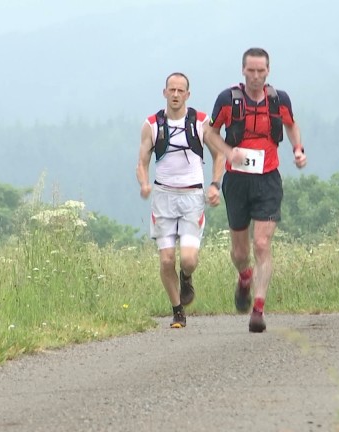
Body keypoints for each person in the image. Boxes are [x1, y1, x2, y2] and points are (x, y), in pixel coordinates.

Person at [202, 47, 307, 333]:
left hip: (268, 179)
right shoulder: (228, 100)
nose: (256, 76)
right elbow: (209, 132)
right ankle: (244, 277)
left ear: (268, 71)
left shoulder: (279, 99)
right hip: (237, 181)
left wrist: (298, 150)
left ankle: (258, 308)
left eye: (261, 71)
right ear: (243, 70)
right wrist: (227, 152)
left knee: (261, 244)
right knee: (239, 252)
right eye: (251, 71)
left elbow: (291, 124)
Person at [136, 72, 224, 329]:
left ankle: (186, 277)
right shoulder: (151, 125)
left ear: (188, 95)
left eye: (180, 91)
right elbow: (141, 163)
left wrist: (215, 185)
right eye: (171, 90)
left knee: (187, 259)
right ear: (164, 92)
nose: (175, 95)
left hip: (192, 197)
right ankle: (177, 311)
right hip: (163, 196)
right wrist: (144, 183)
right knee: (166, 260)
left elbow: (219, 155)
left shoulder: (201, 122)